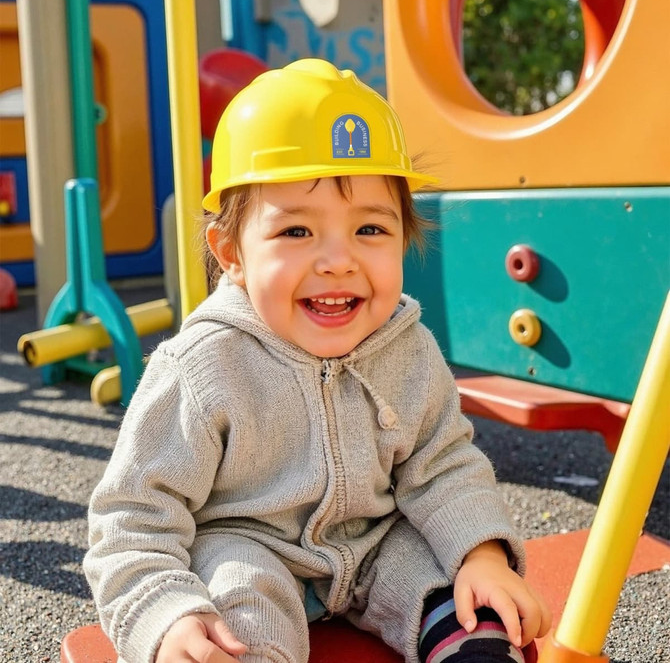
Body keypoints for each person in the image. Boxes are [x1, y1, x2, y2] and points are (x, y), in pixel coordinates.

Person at [84, 59, 551, 663]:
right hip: (248, 546)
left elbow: (443, 465)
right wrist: (162, 613)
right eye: (298, 233)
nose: (338, 260)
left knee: (472, 606)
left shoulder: (406, 347)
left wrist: (482, 555)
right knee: (231, 619)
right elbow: (132, 515)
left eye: (371, 231)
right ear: (231, 254)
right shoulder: (201, 366)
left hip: (376, 542)